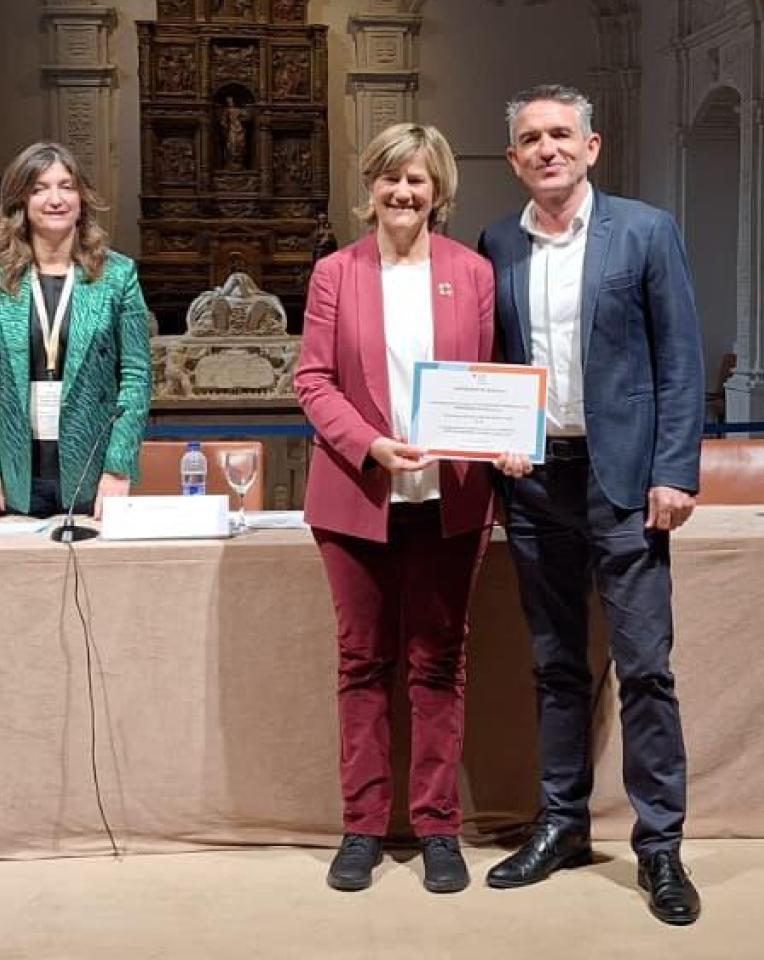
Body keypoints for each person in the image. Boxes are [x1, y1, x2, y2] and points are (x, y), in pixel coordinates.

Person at [477, 84, 705, 925]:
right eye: (531, 138)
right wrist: (497, 439)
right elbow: (494, 361)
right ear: (513, 159)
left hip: (627, 485)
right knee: (556, 666)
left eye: (561, 134)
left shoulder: (645, 231)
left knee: (645, 670)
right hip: (536, 483)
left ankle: (661, 847)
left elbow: (680, 359)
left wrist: (675, 471)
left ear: (591, 146)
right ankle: (562, 824)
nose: (548, 148)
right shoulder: (498, 242)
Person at [294, 122, 499, 894]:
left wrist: (498, 436)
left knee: (439, 662)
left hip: (451, 499)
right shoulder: (335, 273)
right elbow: (313, 380)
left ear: (438, 189)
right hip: (357, 494)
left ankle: (438, 827)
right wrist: (371, 445)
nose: (403, 192)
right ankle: (364, 826)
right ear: (370, 186)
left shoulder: (473, 272)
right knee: (363, 663)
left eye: (417, 179)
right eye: (390, 178)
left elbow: (489, 378)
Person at [0, 142, 152, 521]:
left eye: (66, 186)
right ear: (21, 200)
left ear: (82, 198)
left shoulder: (118, 275)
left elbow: (137, 377)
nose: (55, 199)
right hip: (14, 472)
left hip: (93, 470)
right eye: (39, 188)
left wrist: (118, 466)